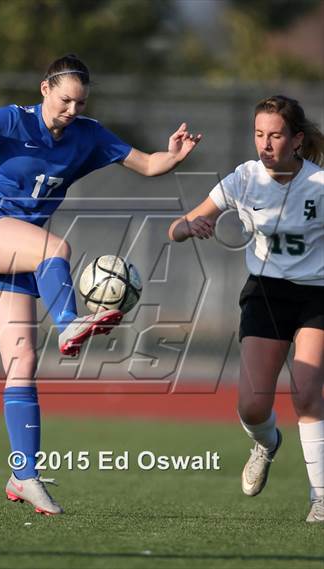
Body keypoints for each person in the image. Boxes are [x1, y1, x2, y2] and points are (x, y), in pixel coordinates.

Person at [0, 54, 201, 515]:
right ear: (44, 89)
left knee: (22, 360)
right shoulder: (12, 120)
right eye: (64, 100)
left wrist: (172, 155)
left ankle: (25, 475)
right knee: (56, 250)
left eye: (79, 102)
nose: (72, 110)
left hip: (19, 253)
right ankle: (70, 321)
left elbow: (148, 164)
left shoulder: (88, 135)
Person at [168, 95, 324, 523]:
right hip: (266, 294)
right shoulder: (243, 179)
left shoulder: (319, 185)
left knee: (308, 390)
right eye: (259, 134)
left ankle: (320, 496)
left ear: (296, 140)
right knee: (253, 407)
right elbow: (176, 227)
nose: (265, 143)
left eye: (275, 135)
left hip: (317, 296)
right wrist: (190, 227)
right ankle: (267, 443)